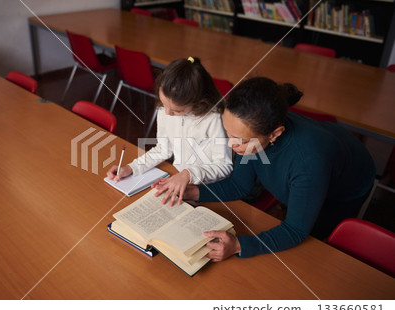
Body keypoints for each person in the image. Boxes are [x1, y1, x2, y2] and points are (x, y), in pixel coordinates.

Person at [156, 77, 375, 262]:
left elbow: (295, 230)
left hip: (347, 185)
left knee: (313, 247)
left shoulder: (308, 163)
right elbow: (239, 185)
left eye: (238, 140)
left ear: (275, 134)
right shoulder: (252, 135)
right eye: (227, 132)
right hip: (318, 153)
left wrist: (239, 245)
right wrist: (194, 192)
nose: (230, 145)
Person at [107, 57, 233, 202]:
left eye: (176, 111)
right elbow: (163, 149)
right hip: (178, 180)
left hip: (207, 189)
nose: (167, 113)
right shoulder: (165, 108)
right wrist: (132, 168)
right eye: (164, 104)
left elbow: (224, 166)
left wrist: (188, 174)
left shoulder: (214, 118)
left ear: (198, 102)